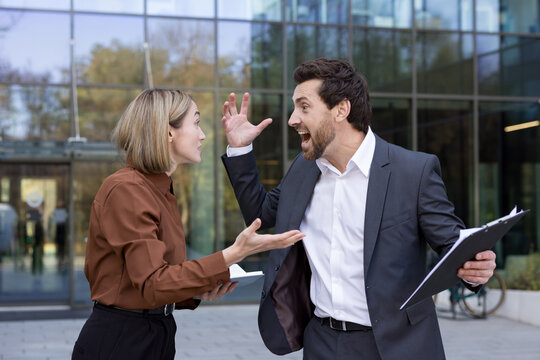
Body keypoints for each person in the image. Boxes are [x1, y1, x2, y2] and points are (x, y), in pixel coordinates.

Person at [221, 58, 496, 360]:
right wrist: (239, 149)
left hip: (397, 347)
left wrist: (475, 270)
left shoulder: (413, 172)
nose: (292, 119)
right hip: (322, 343)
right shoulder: (303, 169)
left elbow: (452, 246)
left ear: (341, 109)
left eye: (304, 106)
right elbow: (260, 213)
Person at [72, 89, 305, 360]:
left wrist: (197, 291)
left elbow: (157, 279)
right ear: (169, 131)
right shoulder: (127, 189)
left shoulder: (159, 191)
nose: (202, 134)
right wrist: (233, 253)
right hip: (122, 339)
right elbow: (151, 283)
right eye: (195, 123)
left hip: (155, 333)